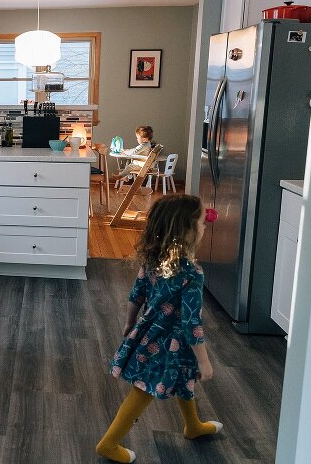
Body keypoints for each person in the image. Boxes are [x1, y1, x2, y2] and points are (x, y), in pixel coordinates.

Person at [96, 194, 223, 463]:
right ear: (187, 230)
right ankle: (109, 443)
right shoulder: (191, 273)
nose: (204, 226)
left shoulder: (153, 260)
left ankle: (193, 426)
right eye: (201, 222)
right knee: (143, 390)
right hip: (170, 342)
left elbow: (136, 294)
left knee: (184, 378)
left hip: (150, 332)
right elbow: (191, 322)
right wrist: (204, 361)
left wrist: (130, 323)